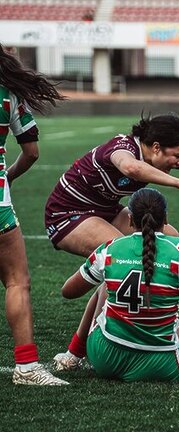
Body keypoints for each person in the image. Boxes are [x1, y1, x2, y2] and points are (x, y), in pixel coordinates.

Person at [49, 112, 179, 371]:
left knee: (171, 238)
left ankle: (163, 314)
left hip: (105, 210)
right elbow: (131, 168)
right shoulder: (123, 147)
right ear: (155, 147)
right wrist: (176, 182)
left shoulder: (163, 153)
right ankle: (76, 350)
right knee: (123, 258)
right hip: (68, 214)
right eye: (176, 156)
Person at [60, 188, 179, 381]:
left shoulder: (110, 248)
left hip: (103, 358)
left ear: (131, 220)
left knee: (104, 287)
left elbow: (68, 291)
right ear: (165, 218)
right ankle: (171, 322)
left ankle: (73, 354)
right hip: (160, 366)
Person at [0, 45, 69, 385]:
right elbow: (31, 152)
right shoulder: (8, 94)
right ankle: (26, 367)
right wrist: (7, 177)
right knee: (16, 281)